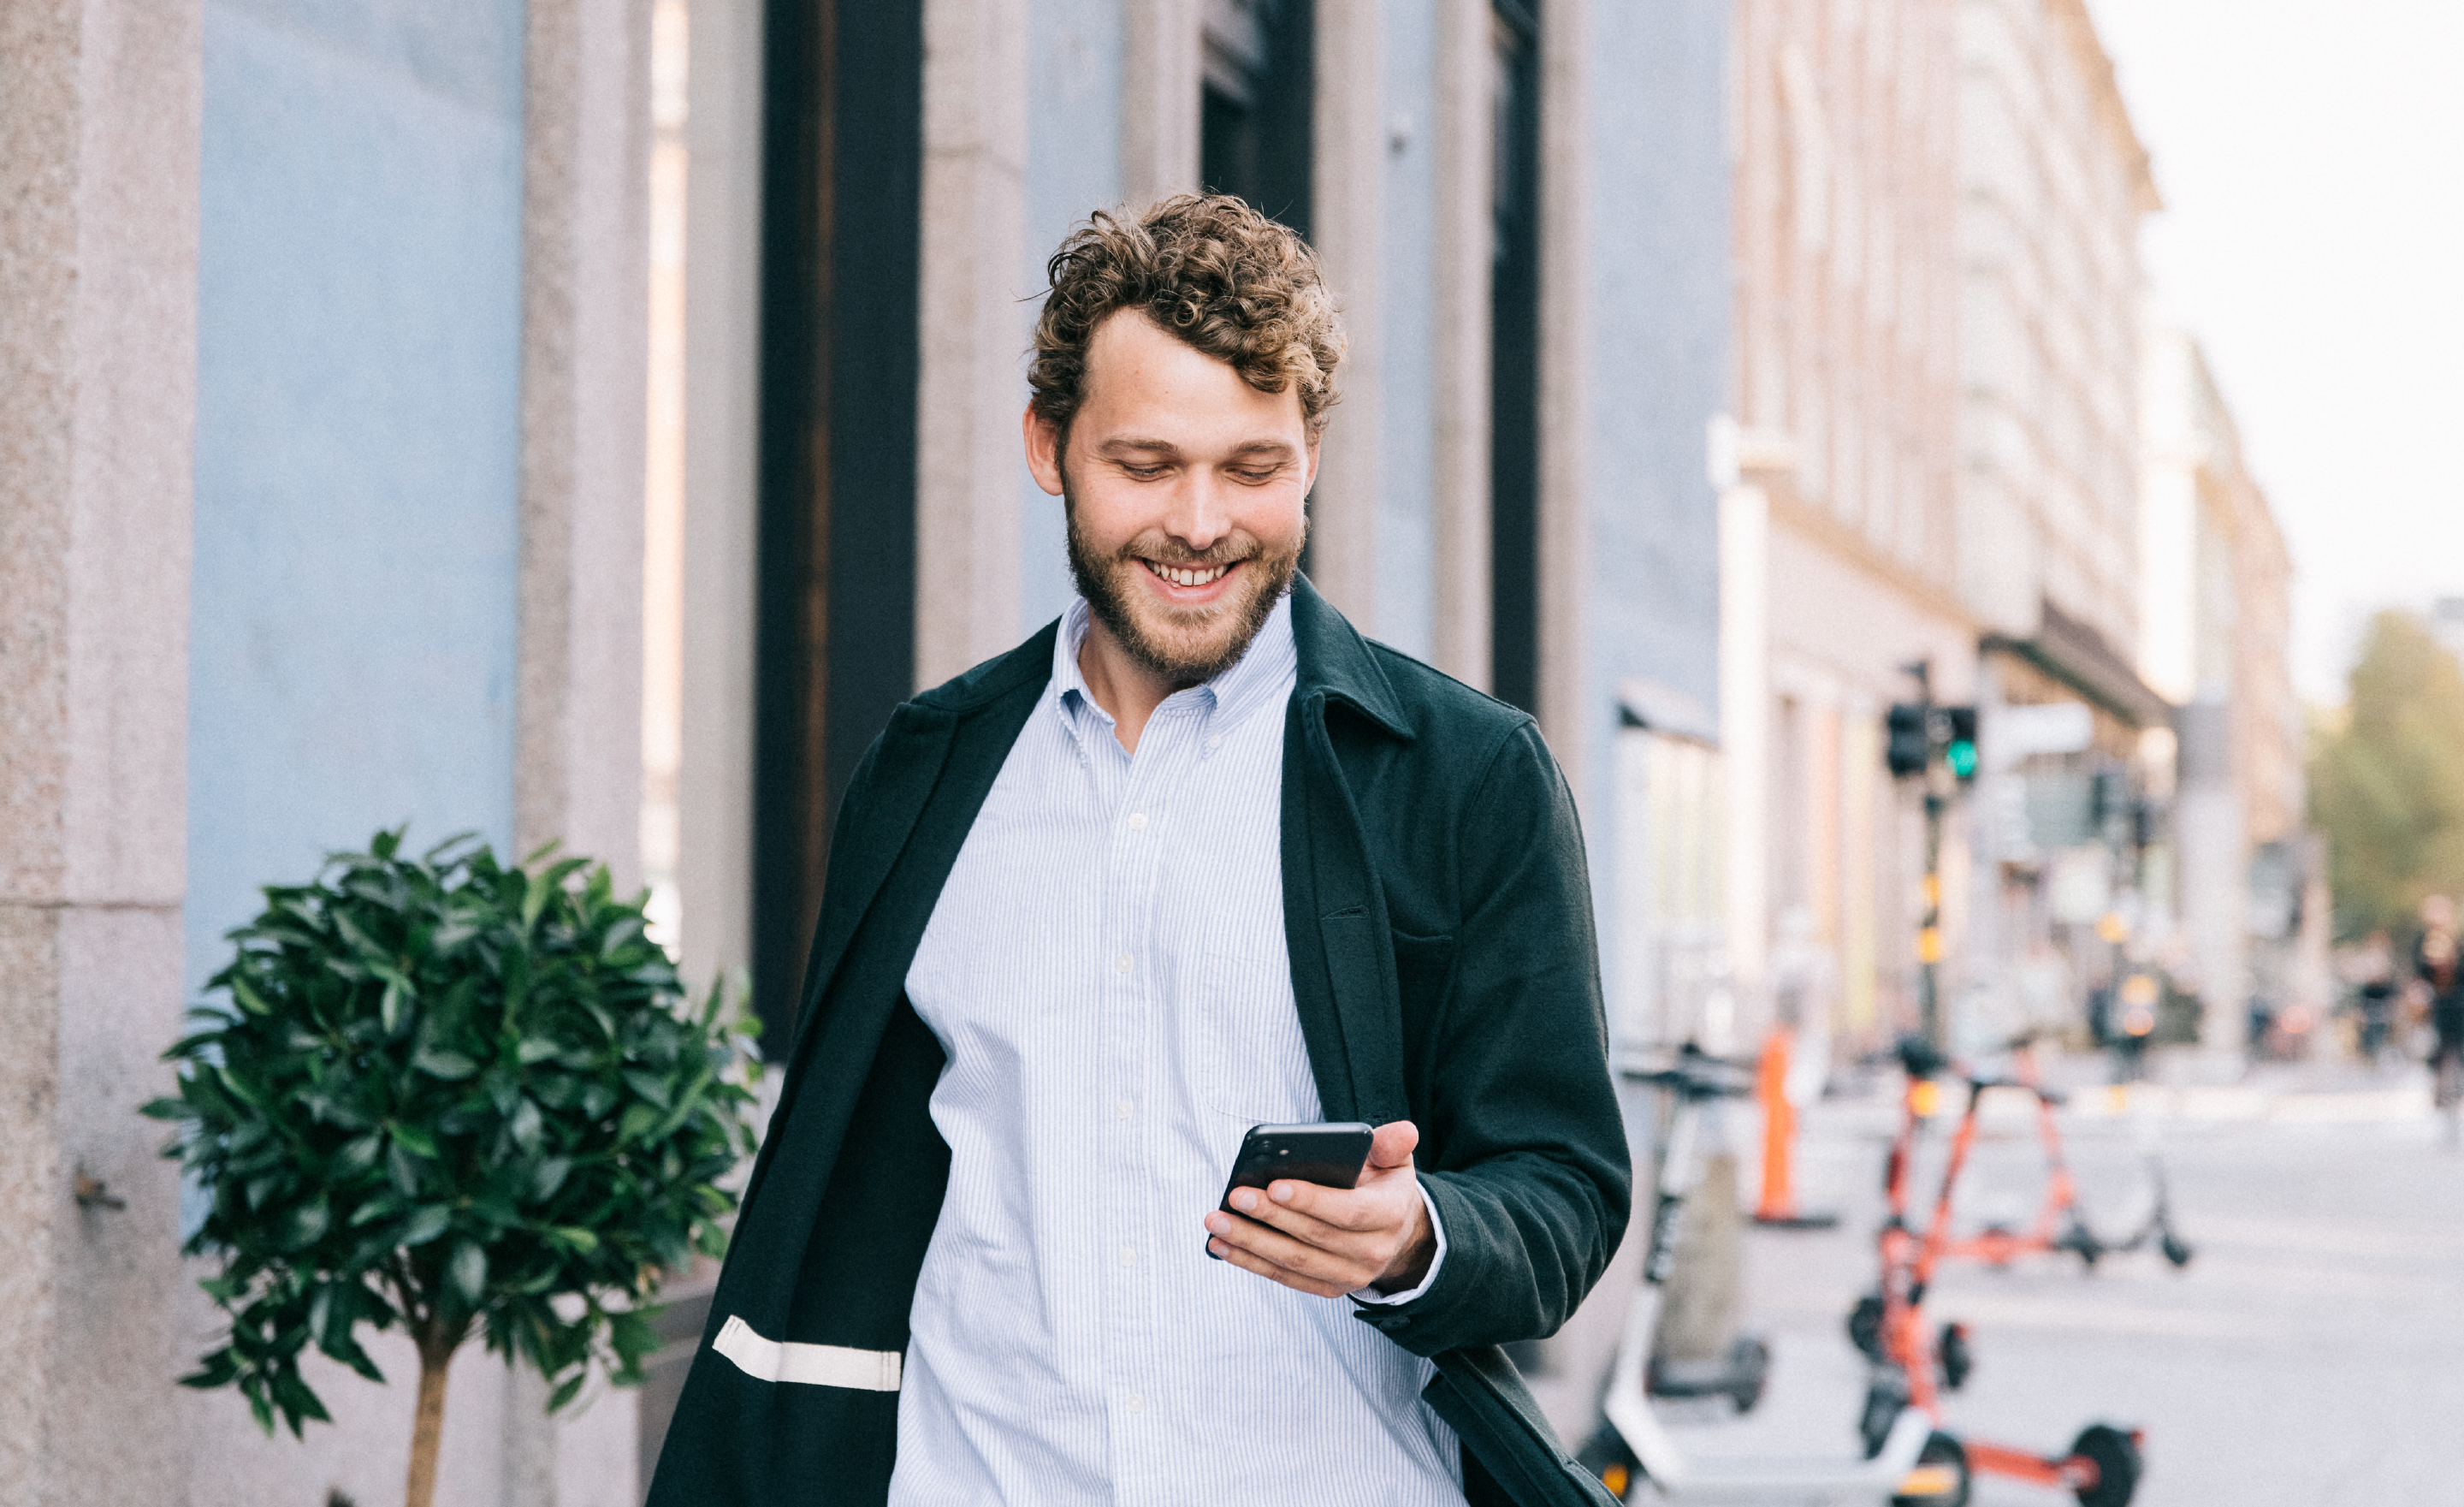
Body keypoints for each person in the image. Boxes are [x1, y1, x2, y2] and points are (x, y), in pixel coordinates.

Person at [645, 195, 1631, 1506]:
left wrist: (1417, 1236)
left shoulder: (1465, 776)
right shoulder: (924, 772)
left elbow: (1563, 1185)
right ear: (1049, 447)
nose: (1202, 520)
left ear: (1313, 453)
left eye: (1253, 467)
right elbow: (836, 1192)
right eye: (1148, 463)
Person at [2415, 895, 2464, 1139]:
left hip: (2459, 1003)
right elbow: (2419, 974)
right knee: (2439, 1051)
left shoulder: (2457, 940)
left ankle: (2456, 1089)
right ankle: (2440, 1090)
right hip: (2438, 1006)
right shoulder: (2423, 941)